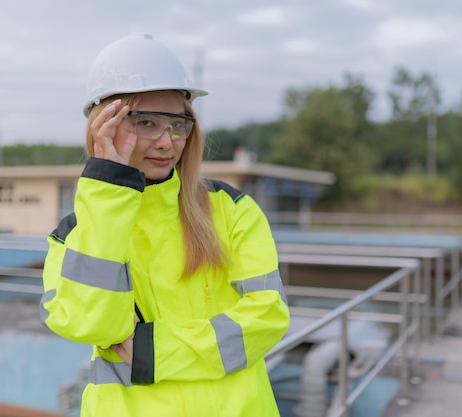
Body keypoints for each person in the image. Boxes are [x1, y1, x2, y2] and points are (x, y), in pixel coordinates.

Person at [40, 33, 290, 417]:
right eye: (145, 122)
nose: (167, 142)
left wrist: (155, 351)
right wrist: (108, 194)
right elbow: (89, 323)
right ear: (102, 126)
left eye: (178, 124)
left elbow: (268, 316)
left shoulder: (233, 209)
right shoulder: (77, 232)